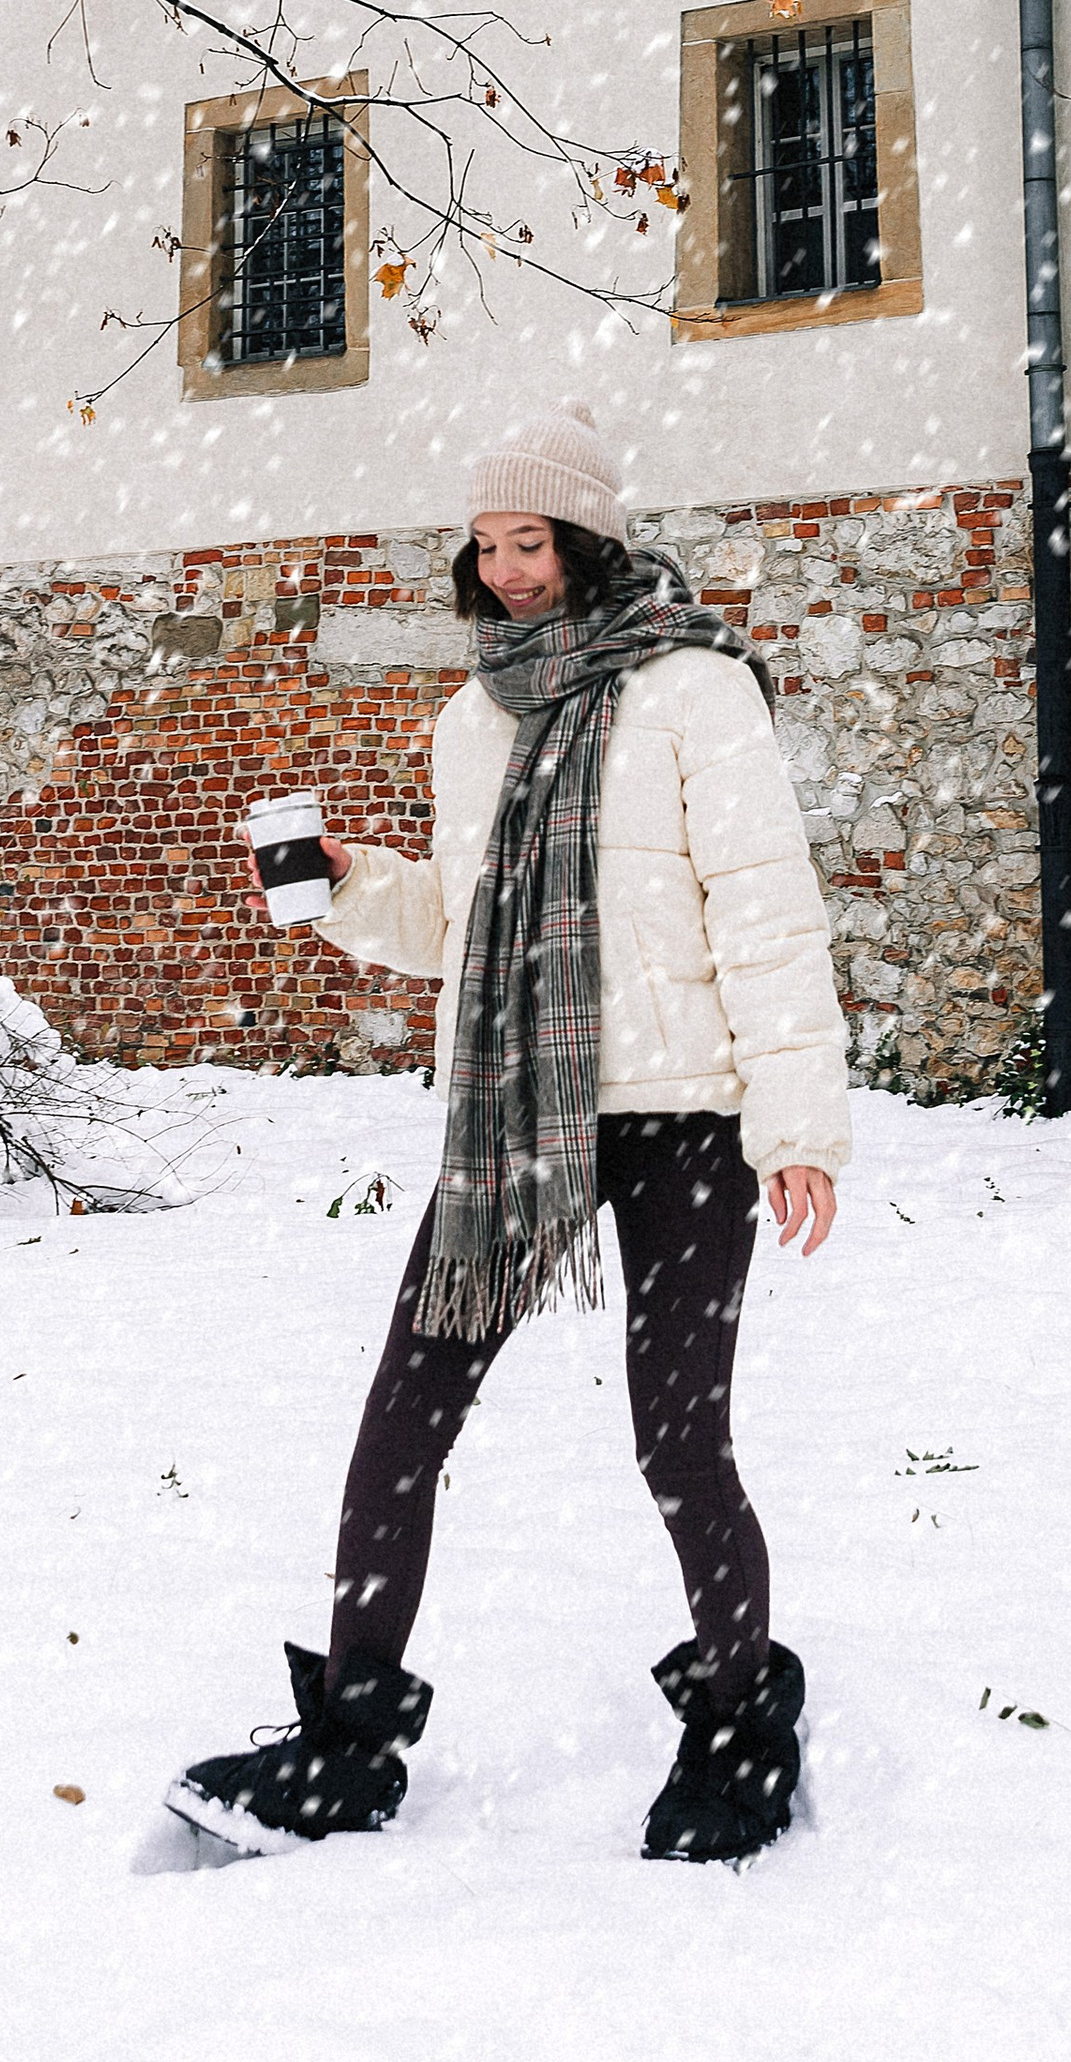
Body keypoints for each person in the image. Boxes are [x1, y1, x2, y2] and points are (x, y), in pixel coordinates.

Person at [168, 400, 849, 1867]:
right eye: (485, 544)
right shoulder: (472, 721)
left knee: (680, 1438)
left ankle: (741, 1724)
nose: (505, 569)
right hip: (517, 1124)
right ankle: (349, 1746)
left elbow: (765, 911)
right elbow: (468, 927)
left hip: (683, 1116)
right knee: (404, 1417)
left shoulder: (695, 692)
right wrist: (350, 882)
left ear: (588, 540)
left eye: (529, 540)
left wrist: (798, 1123)